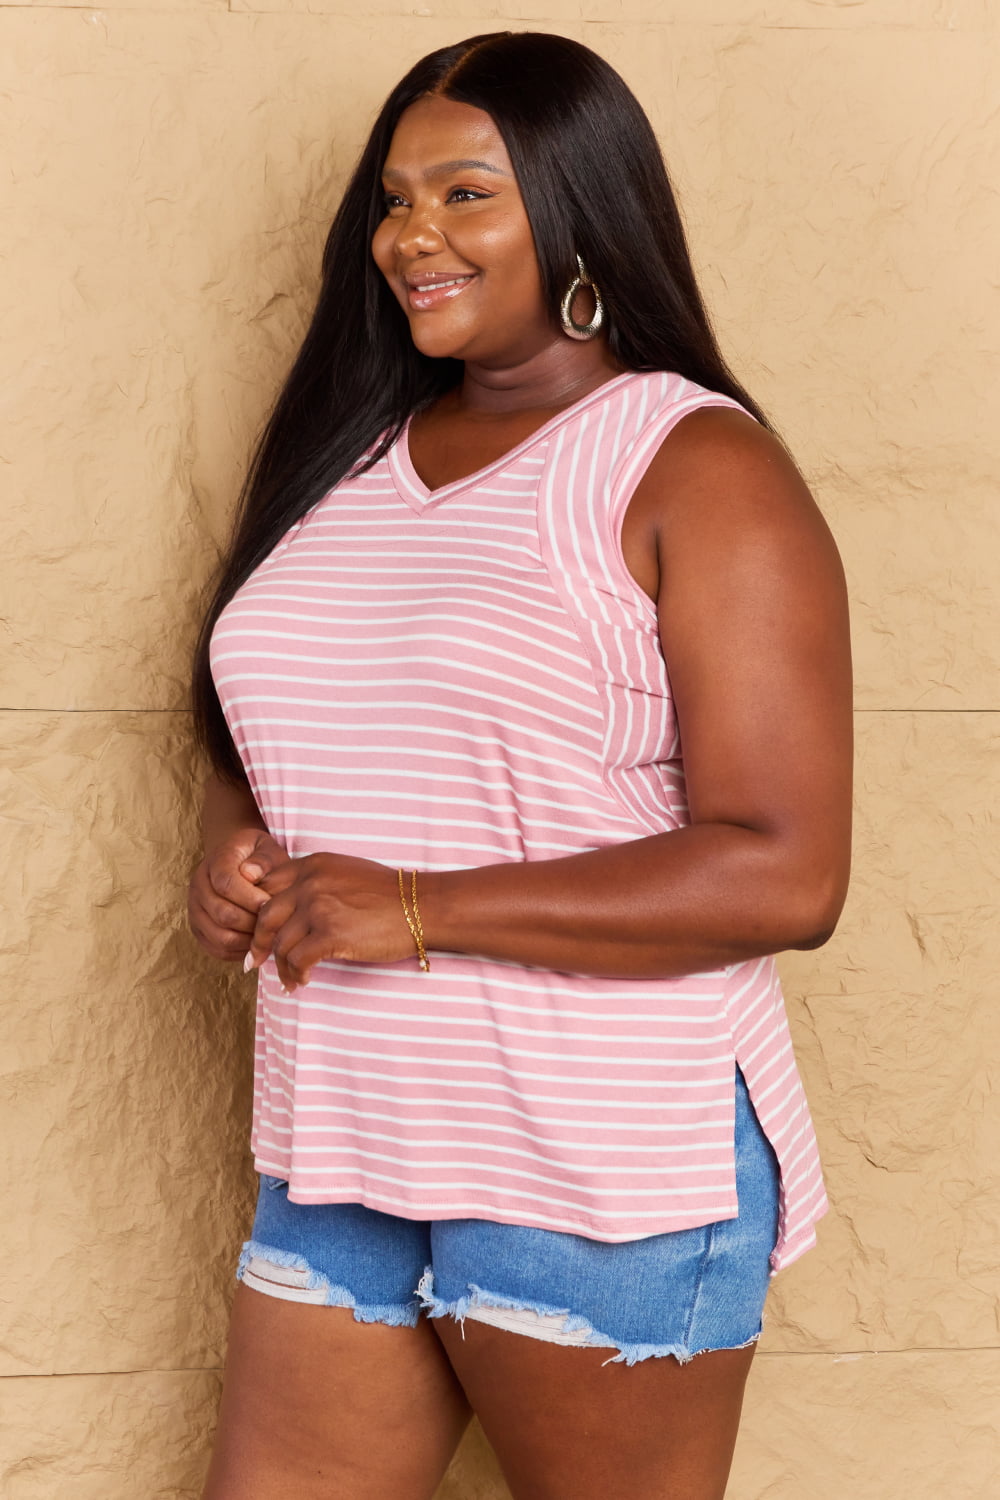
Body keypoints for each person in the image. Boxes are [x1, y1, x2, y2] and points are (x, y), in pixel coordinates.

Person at [187, 30, 852, 1500]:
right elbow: (277, 716)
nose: (413, 234)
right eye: (396, 198)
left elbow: (787, 869)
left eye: (466, 193)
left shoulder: (690, 465)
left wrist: (416, 907)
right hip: (347, 1132)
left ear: (579, 211)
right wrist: (236, 845)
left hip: (598, 1158)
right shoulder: (350, 459)